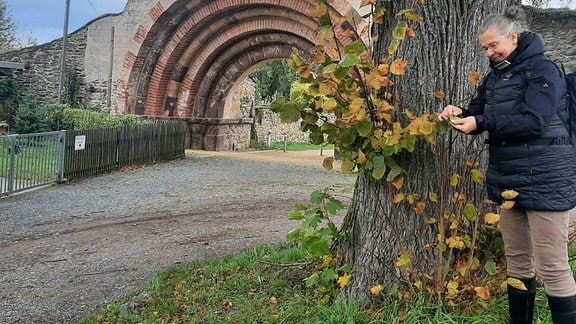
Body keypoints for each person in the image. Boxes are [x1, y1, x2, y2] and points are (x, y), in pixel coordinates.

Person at [438, 5, 576, 324]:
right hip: (509, 179)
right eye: (484, 47)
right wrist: (456, 113)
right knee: (517, 262)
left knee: (552, 266)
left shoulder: (544, 70)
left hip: (546, 178)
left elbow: (535, 121)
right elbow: (477, 109)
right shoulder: (496, 76)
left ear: (512, 38)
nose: (488, 52)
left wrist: (482, 121)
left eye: (492, 45)